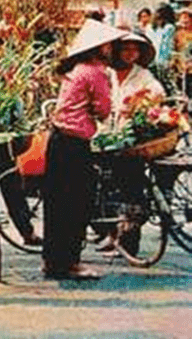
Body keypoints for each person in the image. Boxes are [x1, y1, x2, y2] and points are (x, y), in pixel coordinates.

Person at [43, 19, 127, 280]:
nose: (112, 49)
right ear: (99, 48)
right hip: (74, 144)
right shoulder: (95, 72)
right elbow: (103, 110)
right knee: (76, 205)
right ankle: (70, 263)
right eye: (109, 45)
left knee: (56, 205)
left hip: (57, 140)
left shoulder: (76, 69)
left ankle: (53, 261)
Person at [94, 32, 165, 255]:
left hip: (129, 138)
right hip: (105, 134)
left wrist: (139, 102)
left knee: (130, 188)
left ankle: (128, 241)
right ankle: (111, 233)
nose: (130, 54)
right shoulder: (107, 73)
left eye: (134, 50)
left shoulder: (143, 75)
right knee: (104, 187)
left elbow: (158, 92)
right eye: (125, 49)